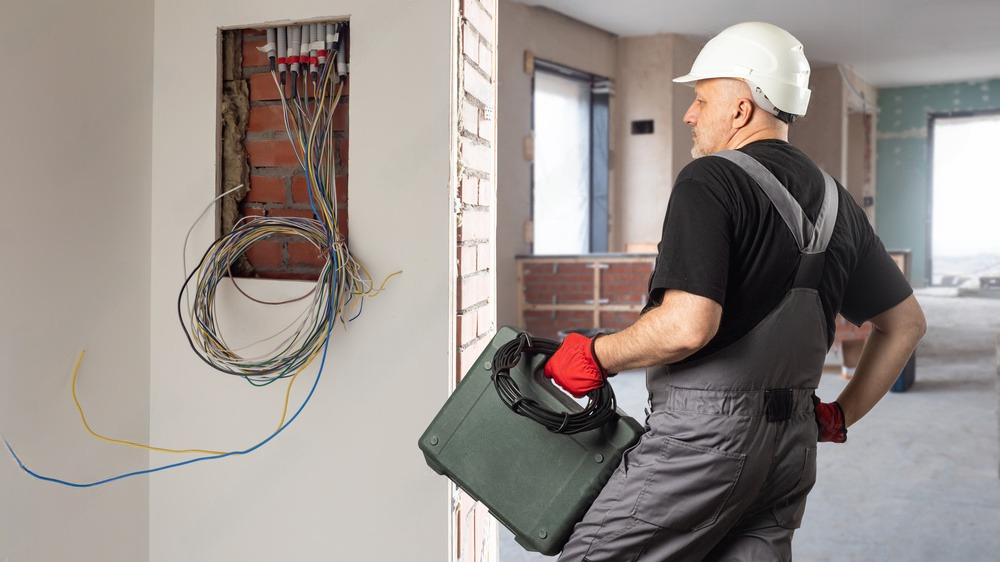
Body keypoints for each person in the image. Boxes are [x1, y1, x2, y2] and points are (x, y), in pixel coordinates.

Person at [543, 21, 926, 561]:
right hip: (792, 446)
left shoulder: (710, 180)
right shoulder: (837, 202)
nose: (689, 115)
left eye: (701, 99)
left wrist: (596, 355)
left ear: (741, 108)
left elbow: (686, 326)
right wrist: (841, 413)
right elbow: (906, 323)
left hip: (704, 443)